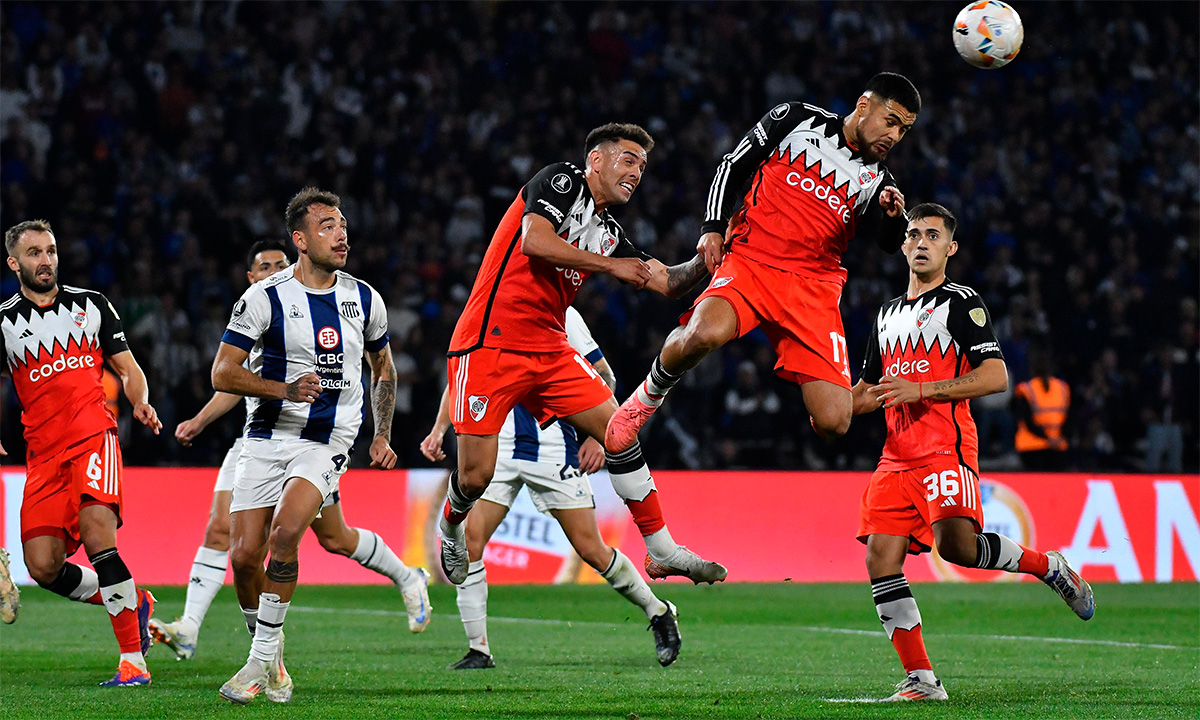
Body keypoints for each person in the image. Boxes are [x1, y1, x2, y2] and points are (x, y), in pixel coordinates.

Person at [438, 123, 722, 588]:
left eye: (642, 166)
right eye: (628, 160)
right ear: (595, 160)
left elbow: (668, 281)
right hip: (491, 341)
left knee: (619, 431)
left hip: (549, 345)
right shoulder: (561, 180)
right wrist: (612, 267)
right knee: (474, 476)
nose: (636, 172)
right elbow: (534, 240)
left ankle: (662, 550)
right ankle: (451, 526)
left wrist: (712, 255)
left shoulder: (608, 231)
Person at [851, 204, 1094, 702]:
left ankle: (1048, 566)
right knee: (880, 558)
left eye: (933, 236)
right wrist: (830, 405)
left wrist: (920, 390)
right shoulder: (885, 314)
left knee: (958, 547)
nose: (921, 242)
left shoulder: (962, 303)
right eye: (913, 234)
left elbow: (996, 376)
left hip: (945, 445)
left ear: (950, 248)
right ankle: (922, 680)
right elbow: (867, 389)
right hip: (895, 454)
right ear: (902, 245)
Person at [605, 73, 919, 454]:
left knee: (835, 422)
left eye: (903, 130)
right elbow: (733, 166)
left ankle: (850, 387)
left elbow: (890, 244)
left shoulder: (877, 181)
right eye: (891, 121)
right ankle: (644, 401)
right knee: (702, 334)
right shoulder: (798, 119)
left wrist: (892, 218)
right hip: (752, 261)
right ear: (864, 105)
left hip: (813, 291)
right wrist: (713, 227)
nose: (895, 136)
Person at [149, 239, 430, 663]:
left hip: (315, 439)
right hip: (256, 440)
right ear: (252, 276)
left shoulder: (322, 308)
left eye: (280, 264)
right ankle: (197, 629)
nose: (273, 271)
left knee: (334, 538)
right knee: (226, 536)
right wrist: (202, 420)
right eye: (265, 266)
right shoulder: (258, 309)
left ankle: (407, 575)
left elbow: (371, 367)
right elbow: (232, 378)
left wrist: (377, 431)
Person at [212, 188, 399, 704]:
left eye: (343, 225)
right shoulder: (264, 297)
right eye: (327, 226)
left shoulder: (364, 298)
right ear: (300, 239)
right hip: (266, 437)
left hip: (327, 440)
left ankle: (254, 665)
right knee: (244, 556)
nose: (341, 235)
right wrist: (283, 390)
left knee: (286, 532)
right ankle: (271, 658)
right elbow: (222, 372)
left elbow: (384, 369)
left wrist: (381, 433)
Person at [423, 307, 682, 670]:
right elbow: (463, 378)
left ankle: (658, 611)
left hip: (553, 449)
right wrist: (439, 429)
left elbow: (603, 375)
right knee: (471, 541)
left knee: (591, 549)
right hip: (497, 448)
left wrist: (598, 434)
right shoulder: (485, 309)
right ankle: (478, 649)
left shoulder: (563, 314)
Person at [0, 219, 162, 686]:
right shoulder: (5, 323)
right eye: (34, 253)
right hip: (43, 456)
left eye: (50, 251)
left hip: (95, 439)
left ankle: (133, 661)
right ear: (14, 263)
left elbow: (128, 369)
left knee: (98, 539)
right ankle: (138, 602)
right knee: (44, 566)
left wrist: (140, 401)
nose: (45, 260)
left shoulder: (91, 305)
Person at [1012, 351, 1071, 471]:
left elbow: (1027, 421)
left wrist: (1047, 439)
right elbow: (1069, 418)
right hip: (1057, 446)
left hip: (1031, 447)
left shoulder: (1026, 389)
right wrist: (1055, 439)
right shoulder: (1063, 388)